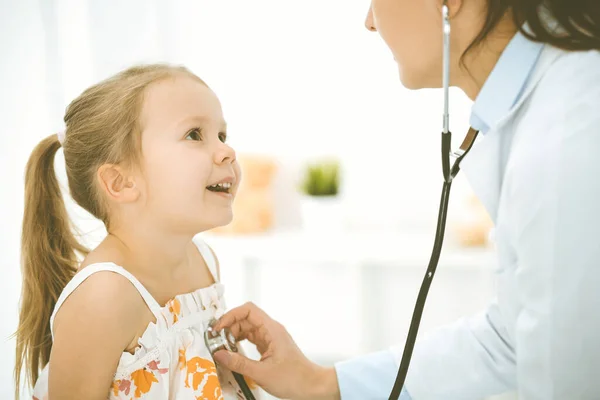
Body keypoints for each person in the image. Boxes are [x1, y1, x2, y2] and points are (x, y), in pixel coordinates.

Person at [211, 0, 600, 399]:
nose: (369, 22)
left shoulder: (568, 132)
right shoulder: (547, 105)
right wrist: (322, 384)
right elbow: (513, 338)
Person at [14, 64, 261, 399]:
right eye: (194, 134)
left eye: (222, 135)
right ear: (121, 182)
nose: (227, 151)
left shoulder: (203, 260)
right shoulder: (104, 296)